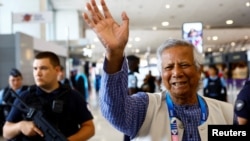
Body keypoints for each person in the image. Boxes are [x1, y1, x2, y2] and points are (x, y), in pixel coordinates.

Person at [82, 0, 234, 140]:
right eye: (168, 67)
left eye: (184, 65)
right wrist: (114, 54)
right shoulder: (146, 108)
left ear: (199, 70)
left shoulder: (226, 114)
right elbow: (116, 112)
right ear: (162, 74)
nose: (176, 72)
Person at [2, 51, 95, 141]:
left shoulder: (73, 96)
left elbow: (89, 128)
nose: (37, 73)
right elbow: (6, 132)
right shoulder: (25, 96)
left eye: (43, 68)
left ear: (57, 70)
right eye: (35, 68)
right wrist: (20, 126)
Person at [0, 68, 29, 134]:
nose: (16, 82)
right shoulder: (3, 93)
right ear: (9, 81)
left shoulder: (27, 92)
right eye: (13, 80)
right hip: (7, 128)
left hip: (24, 127)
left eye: (18, 80)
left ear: (22, 79)